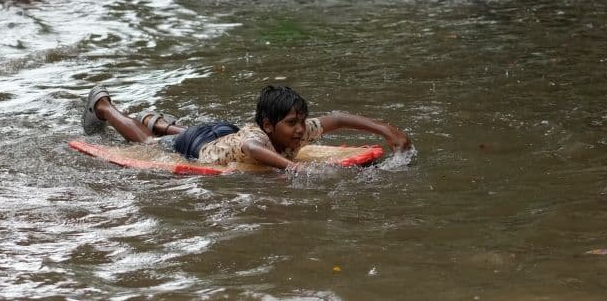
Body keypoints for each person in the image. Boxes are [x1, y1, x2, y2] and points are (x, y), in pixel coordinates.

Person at [80, 84, 411, 170]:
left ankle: (161, 122)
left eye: (300, 123)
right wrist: (291, 169)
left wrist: (386, 131)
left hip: (224, 132)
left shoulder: (295, 129)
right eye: (291, 124)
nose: (299, 131)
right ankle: (104, 106)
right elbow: (252, 149)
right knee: (146, 145)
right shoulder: (257, 137)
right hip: (200, 147)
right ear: (269, 125)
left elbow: (338, 117)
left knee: (209, 132)